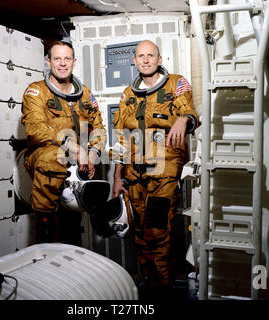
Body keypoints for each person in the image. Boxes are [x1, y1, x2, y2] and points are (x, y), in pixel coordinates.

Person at [112, 40, 199, 299]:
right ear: (135, 61)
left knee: (158, 232)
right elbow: (121, 138)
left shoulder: (176, 83)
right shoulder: (128, 93)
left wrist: (183, 120)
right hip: (134, 174)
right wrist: (117, 177)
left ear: (159, 59)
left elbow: (190, 112)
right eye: (141, 56)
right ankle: (150, 290)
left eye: (151, 55)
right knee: (140, 235)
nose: (146, 60)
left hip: (164, 172)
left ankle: (162, 292)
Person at [21, 40, 107, 243]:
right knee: (53, 157)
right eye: (57, 58)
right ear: (48, 62)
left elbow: (99, 130)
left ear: (74, 61)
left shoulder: (84, 93)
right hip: (46, 158)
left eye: (67, 58)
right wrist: (75, 148)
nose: (62, 63)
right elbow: (36, 128)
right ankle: (46, 232)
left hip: (78, 163)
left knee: (72, 225)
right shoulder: (36, 91)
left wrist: (93, 154)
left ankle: (73, 240)